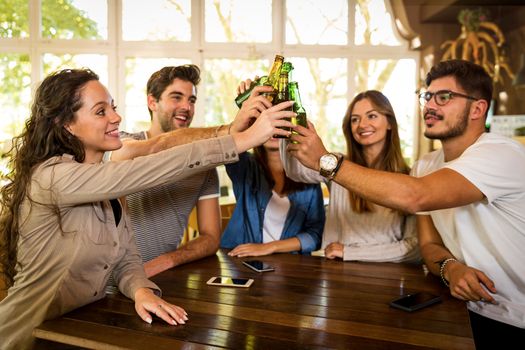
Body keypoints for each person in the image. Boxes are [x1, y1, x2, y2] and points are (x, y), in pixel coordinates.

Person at [0, 68, 294, 349]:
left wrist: (141, 290)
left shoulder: (107, 189)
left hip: (82, 328)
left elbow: (126, 258)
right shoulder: (51, 177)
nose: (116, 117)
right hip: (27, 337)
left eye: (113, 107)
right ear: (66, 124)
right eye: (101, 111)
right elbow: (159, 161)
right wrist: (243, 138)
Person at [286, 60, 525, 347]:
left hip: (514, 317)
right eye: (427, 96)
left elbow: (416, 197)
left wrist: (327, 161)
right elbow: (429, 246)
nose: (430, 105)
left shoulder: (502, 153)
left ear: (477, 109)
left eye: (444, 97)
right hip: (461, 308)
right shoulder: (425, 165)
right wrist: (450, 268)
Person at [280, 90, 420, 263]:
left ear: (389, 122)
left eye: (372, 116)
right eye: (355, 119)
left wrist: (350, 252)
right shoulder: (336, 163)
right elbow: (296, 171)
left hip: (387, 276)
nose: (362, 125)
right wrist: (285, 128)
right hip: (336, 271)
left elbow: (414, 249)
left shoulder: (408, 177)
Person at [107, 65, 221, 277]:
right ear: (152, 102)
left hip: (161, 278)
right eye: (176, 97)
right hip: (108, 279)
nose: (186, 107)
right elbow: (122, 152)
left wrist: (166, 261)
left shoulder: (203, 166)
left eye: (192, 100)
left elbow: (211, 237)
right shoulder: (122, 143)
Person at [221, 105, 325, 256]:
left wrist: (271, 247)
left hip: (290, 266)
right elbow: (228, 145)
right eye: (269, 122)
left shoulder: (309, 176)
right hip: (240, 261)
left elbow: (315, 235)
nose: (274, 128)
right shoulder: (245, 167)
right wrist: (247, 103)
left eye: (281, 121)